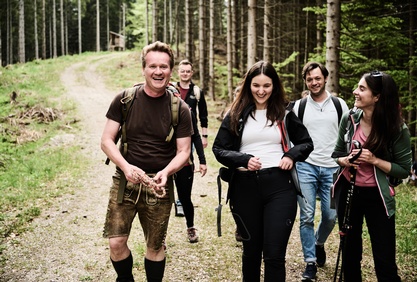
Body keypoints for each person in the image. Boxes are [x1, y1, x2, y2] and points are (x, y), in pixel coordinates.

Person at [212, 60, 314, 281]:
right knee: (251, 253)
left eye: (266, 86)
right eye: (256, 85)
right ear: (249, 85)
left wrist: (290, 155)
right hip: (244, 187)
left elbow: (306, 143)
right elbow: (218, 149)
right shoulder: (236, 113)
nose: (261, 91)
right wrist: (243, 159)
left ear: (274, 86)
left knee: (274, 255)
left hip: (279, 186)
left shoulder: (284, 112)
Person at [100, 41, 193, 282]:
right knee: (116, 242)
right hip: (125, 180)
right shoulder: (124, 100)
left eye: (163, 66)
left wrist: (167, 171)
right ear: (144, 69)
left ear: (171, 70)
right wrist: (125, 166)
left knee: (155, 246)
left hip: (158, 186)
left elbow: (184, 151)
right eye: (153, 66)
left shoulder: (180, 109)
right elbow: (107, 141)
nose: (158, 71)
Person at [332, 71, 411, 281]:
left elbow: (404, 169)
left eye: (362, 88)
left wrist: (375, 160)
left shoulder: (396, 129)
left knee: (384, 259)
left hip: (379, 197)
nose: (355, 92)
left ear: (377, 97)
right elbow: (336, 154)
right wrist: (346, 160)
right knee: (349, 255)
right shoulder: (349, 118)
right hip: (349, 193)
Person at [292, 62, 349, 280]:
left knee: (331, 215)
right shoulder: (299, 107)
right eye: (309, 79)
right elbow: (292, 137)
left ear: (325, 78)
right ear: (305, 81)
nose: (314, 82)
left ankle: (319, 243)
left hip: (333, 169)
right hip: (305, 167)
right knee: (306, 216)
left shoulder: (339, 105)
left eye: (317, 78)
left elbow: (347, 135)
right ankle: (310, 262)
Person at [173, 59, 209, 217]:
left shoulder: (197, 92)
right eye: (182, 71)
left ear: (192, 73)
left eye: (188, 71)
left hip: (189, 134)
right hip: (172, 135)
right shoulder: (172, 88)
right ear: (178, 72)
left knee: (185, 164)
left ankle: (181, 200)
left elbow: (203, 116)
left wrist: (204, 136)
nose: (185, 73)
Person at [174, 109, 207, 243]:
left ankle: (190, 227)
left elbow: (196, 136)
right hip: (162, 163)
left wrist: (202, 160)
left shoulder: (186, 111)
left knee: (185, 198)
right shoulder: (156, 110)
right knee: (162, 200)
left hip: (185, 163)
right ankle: (160, 235)